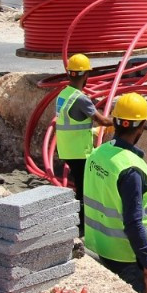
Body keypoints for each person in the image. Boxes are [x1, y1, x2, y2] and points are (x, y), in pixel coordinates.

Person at [82, 92, 147, 293]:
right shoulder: (131, 169)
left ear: (115, 122)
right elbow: (133, 223)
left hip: (99, 247)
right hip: (127, 257)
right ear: (142, 126)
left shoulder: (97, 154)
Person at [54, 53, 113, 232]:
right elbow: (102, 120)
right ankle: (81, 225)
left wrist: (92, 132)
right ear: (86, 75)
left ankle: (80, 221)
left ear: (69, 74)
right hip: (79, 152)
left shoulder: (64, 94)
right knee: (84, 189)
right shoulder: (81, 99)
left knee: (81, 185)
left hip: (67, 148)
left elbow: (72, 122)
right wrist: (119, 121)